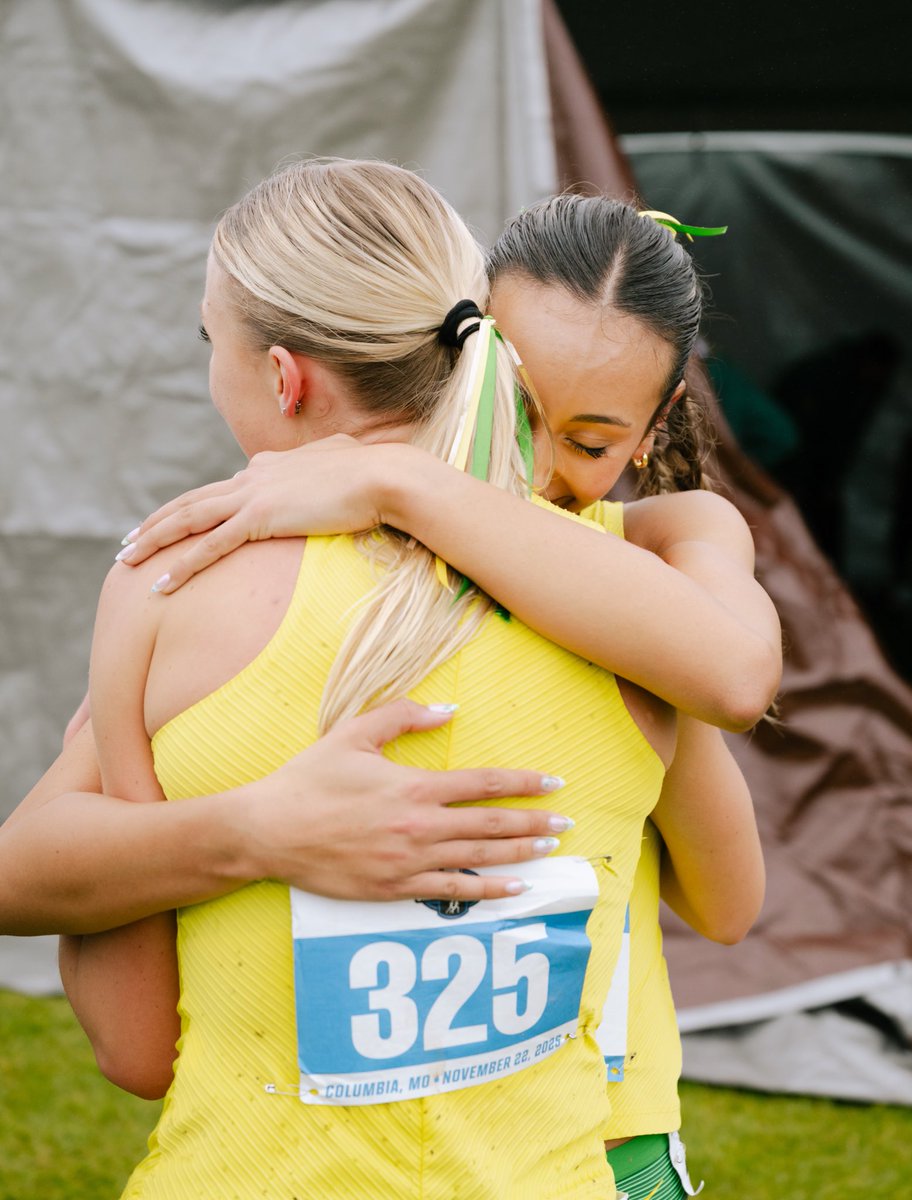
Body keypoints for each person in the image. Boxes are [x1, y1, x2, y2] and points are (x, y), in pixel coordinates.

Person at [0, 181, 777, 1197]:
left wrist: (399, 484)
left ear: (283, 377)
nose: (535, 473)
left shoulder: (166, 590)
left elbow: (135, 1048)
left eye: (588, 443)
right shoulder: (646, 593)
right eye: (521, 411)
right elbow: (731, 874)